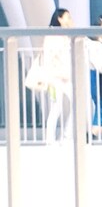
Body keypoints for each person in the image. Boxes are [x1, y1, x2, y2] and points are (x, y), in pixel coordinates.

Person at [39, 8, 73, 143]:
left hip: (65, 76)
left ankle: (66, 136)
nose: (70, 20)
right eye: (67, 17)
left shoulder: (64, 35)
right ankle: (51, 139)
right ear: (59, 18)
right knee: (56, 107)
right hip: (54, 77)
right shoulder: (52, 35)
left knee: (76, 103)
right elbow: (50, 57)